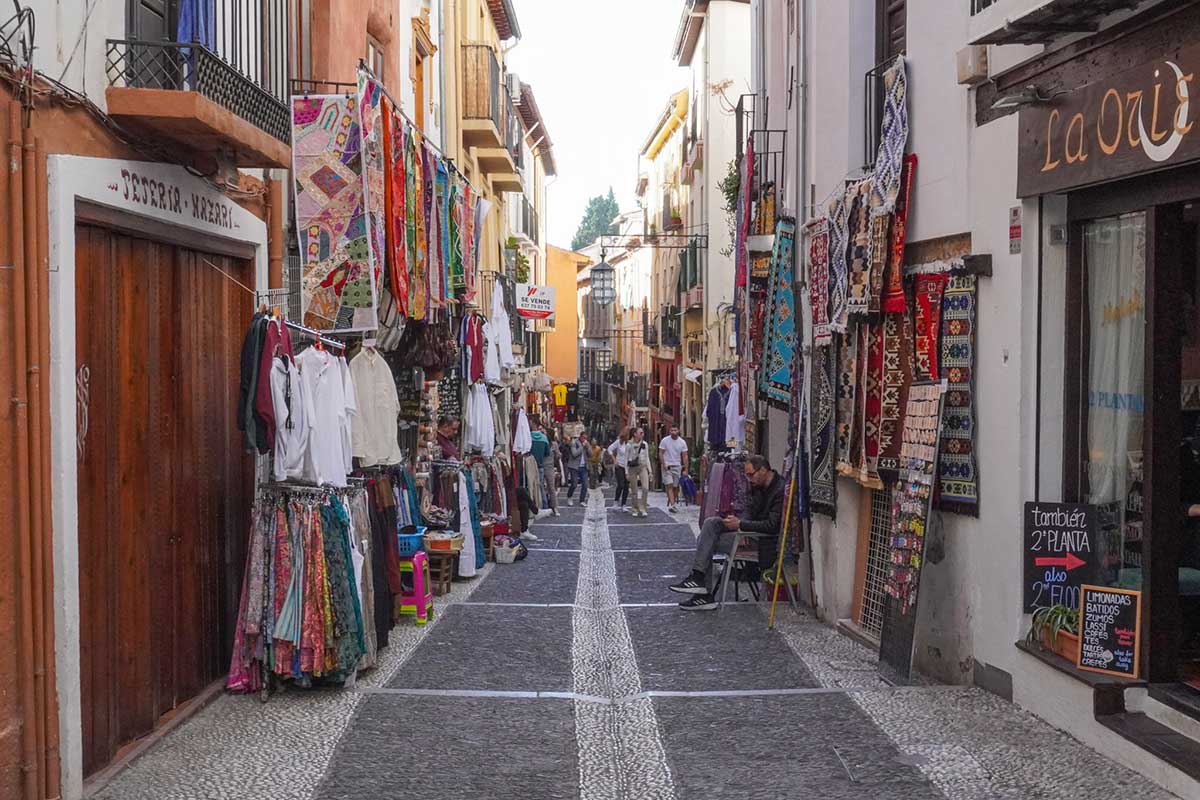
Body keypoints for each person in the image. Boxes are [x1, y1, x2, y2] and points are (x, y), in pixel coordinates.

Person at [669, 455, 784, 611]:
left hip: (763, 542)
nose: (749, 479)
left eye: (751, 474)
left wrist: (741, 524)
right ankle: (698, 580)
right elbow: (750, 511)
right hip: (747, 532)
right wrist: (735, 521)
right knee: (711, 524)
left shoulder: (779, 490)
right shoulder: (758, 487)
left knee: (706, 541)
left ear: (763, 470)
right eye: (747, 475)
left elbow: (771, 526)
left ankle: (702, 591)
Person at [658, 425, 689, 513]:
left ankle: (673, 502)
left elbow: (685, 456)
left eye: (675, 430)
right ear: (669, 431)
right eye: (672, 430)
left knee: (676, 486)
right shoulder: (665, 441)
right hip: (667, 466)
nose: (673, 432)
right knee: (669, 484)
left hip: (677, 465)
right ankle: (672, 504)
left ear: (678, 431)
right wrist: (663, 464)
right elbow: (661, 452)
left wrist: (686, 469)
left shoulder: (682, 442)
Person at [530, 421, 558, 517]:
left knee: (550, 488)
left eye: (544, 431)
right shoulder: (543, 440)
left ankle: (553, 508)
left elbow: (558, 455)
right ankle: (545, 507)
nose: (542, 432)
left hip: (547, 467)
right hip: (543, 466)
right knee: (542, 487)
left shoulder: (553, 444)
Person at [625, 428, 651, 517]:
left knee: (645, 488)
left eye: (643, 432)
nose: (642, 434)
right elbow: (626, 459)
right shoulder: (629, 445)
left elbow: (647, 457)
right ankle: (635, 508)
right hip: (632, 468)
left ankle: (643, 507)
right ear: (635, 434)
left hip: (642, 467)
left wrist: (650, 471)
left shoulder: (644, 444)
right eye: (641, 432)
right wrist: (626, 472)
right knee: (634, 490)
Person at [607, 428, 631, 510]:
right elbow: (609, 449)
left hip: (628, 466)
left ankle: (623, 504)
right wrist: (614, 460)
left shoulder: (630, 444)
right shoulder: (618, 442)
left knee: (626, 486)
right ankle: (616, 501)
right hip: (619, 466)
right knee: (620, 484)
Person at [566, 432, 589, 505]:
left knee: (585, 484)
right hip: (574, 467)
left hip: (584, 467)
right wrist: (582, 447)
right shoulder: (574, 443)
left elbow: (591, 454)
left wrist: (588, 447)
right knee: (574, 484)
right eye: (583, 438)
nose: (584, 440)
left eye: (586, 438)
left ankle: (582, 500)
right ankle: (569, 496)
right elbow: (574, 454)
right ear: (580, 437)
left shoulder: (587, 444)